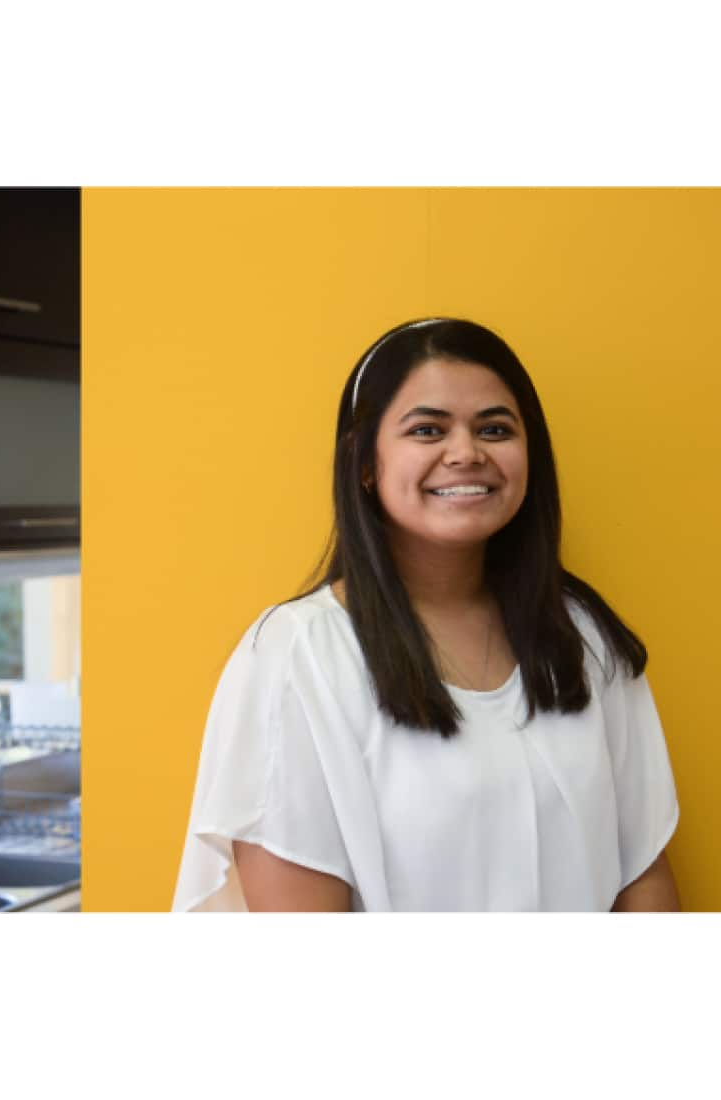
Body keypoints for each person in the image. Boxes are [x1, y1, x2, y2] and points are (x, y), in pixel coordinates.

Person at [173, 318, 682, 912]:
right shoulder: (297, 657)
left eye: (494, 428)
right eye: (426, 429)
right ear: (364, 464)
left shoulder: (585, 639)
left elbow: (643, 874)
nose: (466, 453)